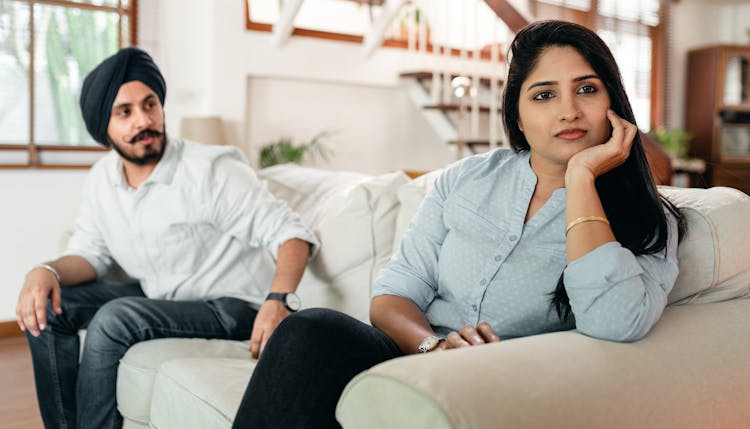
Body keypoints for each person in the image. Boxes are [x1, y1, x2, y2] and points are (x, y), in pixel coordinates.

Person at [229, 20, 686, 429]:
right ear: (519, 118)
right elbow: (393, 296)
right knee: (310, 330)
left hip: (501, 386)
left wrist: (582, 177)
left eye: (586, 89)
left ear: (613, 103)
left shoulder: (646, 218)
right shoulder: (468, 178)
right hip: (415, 357)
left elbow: (615, 323)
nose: (569, 110)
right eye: (544, 95)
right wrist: (433, 348)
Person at [15, 47, 319, 429]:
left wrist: (278, 300)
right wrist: (46, 271)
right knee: (45, 307)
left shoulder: (210, 171)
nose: (144, 120)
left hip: (232, 305)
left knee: (114, 319)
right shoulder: (101, 180)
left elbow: (291, 233)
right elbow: (91, 254)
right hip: (166, 298)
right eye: (124, 112)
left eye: (150, 105)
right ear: (102, 127)